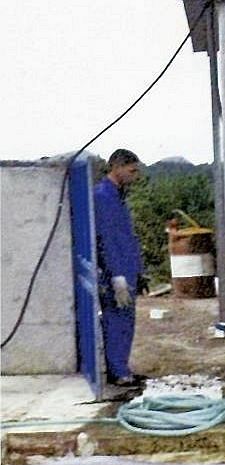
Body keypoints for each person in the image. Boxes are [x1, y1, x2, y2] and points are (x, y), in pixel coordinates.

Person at [94, 149, 145, 387]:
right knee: (116, 321)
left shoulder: (117, 196)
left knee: (126, 322)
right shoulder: (103, 197)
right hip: (115, 272)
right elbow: (107, 239)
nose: (135, 176)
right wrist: (116, 275)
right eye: (131, 171)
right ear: (117, 167)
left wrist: (139, 271)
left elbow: (126, 237)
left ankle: (122, 368)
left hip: (127, 269)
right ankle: (117, 372)